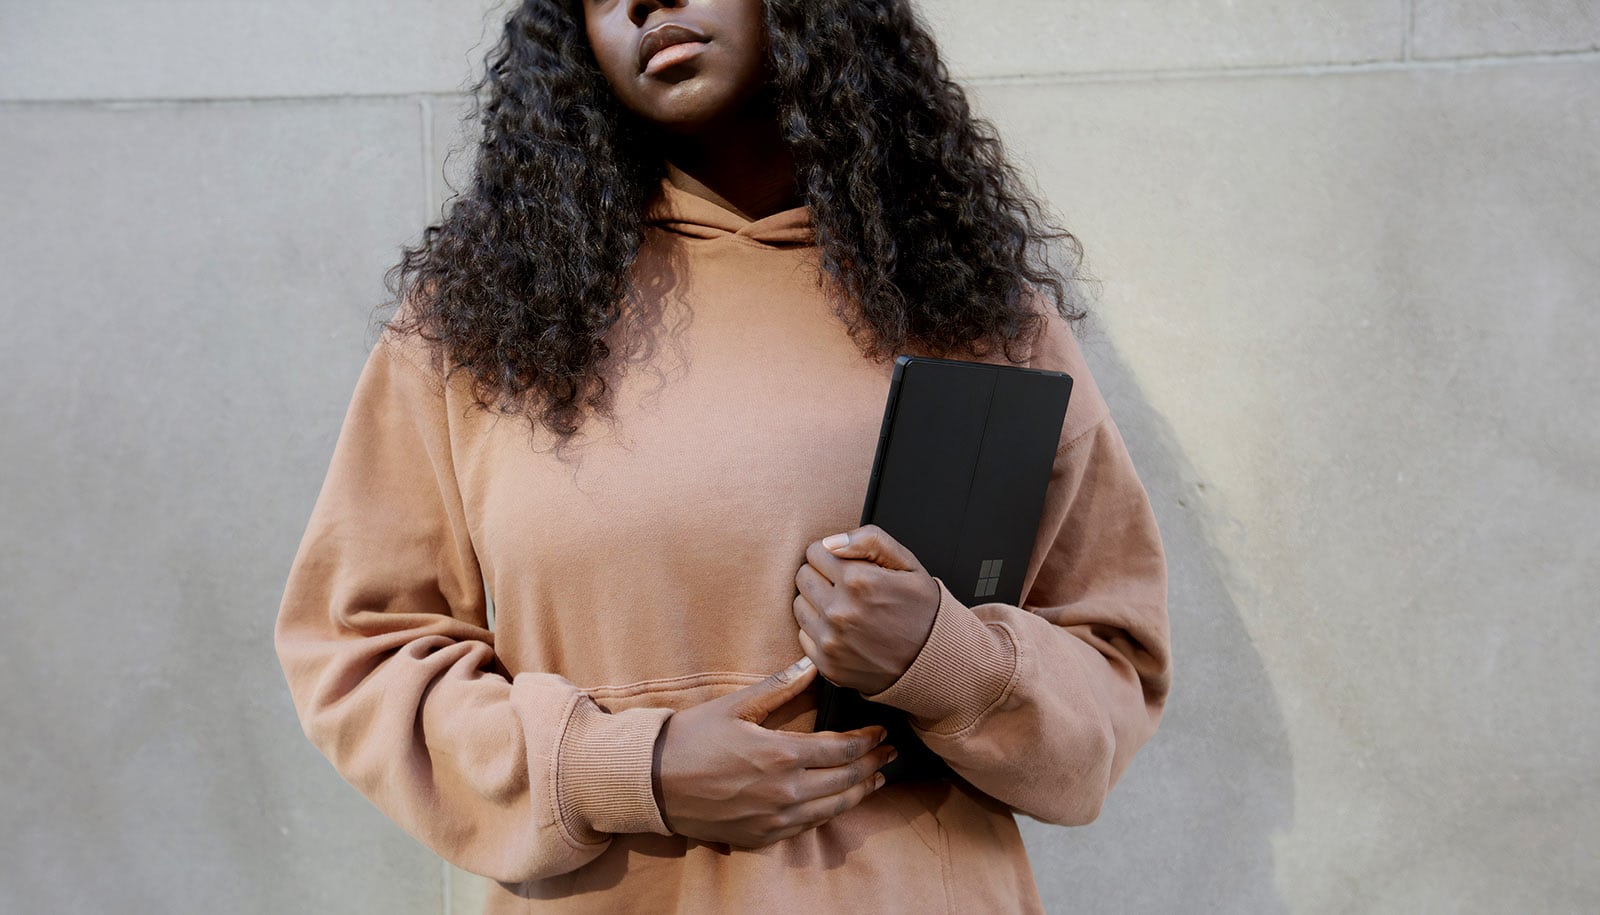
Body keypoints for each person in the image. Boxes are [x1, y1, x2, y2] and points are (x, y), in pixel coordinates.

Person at [274, 0, 1172, 911]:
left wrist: (943, 658)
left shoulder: (973, 306)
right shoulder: (483, 321)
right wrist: (631, 769)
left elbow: (1114, 662)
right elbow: (359, 651)